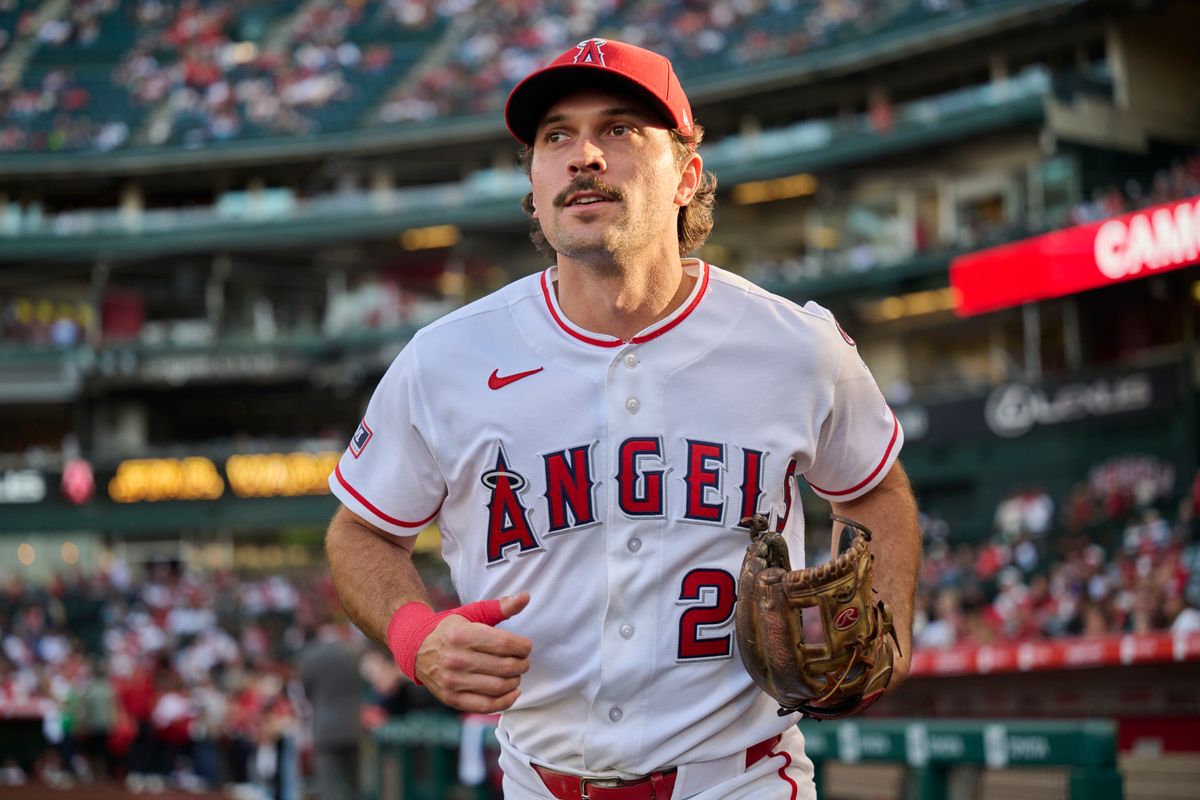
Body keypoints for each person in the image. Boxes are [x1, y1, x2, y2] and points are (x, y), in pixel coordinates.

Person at [325, 38, 921, 800]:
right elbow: (361, 530)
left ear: (687, 176)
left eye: (620, 130)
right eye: (556, 137)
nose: (584, 157)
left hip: (739, 781)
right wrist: (414, 635)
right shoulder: (445, 358)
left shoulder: (793, 345)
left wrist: (891, 627)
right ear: (535, 185)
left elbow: (875, 489)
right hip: (537, 781)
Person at [298, 622, 363, 800]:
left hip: (325, 728)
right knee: (354, 785)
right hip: (352, 725)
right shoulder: (353, 654)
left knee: (328, 786)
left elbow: (307, 693)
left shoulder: (311, 657)